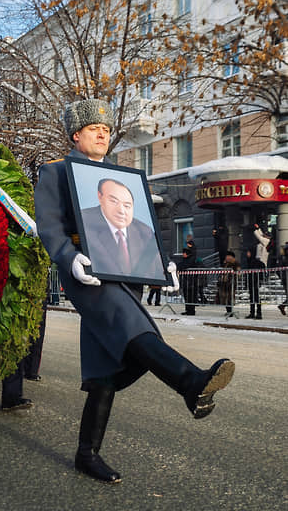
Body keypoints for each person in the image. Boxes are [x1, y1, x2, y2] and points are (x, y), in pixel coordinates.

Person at [34, 98, 235, 483]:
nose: (102, 134)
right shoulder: (56, 172)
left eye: (106, 129)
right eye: (94, 129)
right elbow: (50, 225)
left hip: (126, 272)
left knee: (106, 362)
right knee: (133, 330)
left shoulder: (119, 176)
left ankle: (86, 453)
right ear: (76, 135)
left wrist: (162, 266)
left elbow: (142, 227)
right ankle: (190, 383)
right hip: (89, 274)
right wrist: (68, 257)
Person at [81, 178, 164, 280]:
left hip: (134, 294)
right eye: (113, 201)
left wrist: (168, 271)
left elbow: (159, 268)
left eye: (127, 205)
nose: (121, 211)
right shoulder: (83, 220)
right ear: (100, 197)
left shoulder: (145, 231)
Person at [245, 245, 264, 319]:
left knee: (256, 298)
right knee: (252, 298)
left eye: (248, 252)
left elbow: (260, 271)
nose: (247, 253)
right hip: (251, 282)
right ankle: (252, 313)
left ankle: (259, 313)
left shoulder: (256, 262)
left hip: (255, 282)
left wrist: (259, 280)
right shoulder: (249, 261)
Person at [217, 251, 240, 317]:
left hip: (231, 282)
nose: (226, 257)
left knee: (229, 298)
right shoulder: (225, 263)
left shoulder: (235, 263)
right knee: (224, 298)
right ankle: (228, 311)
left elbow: (238, 272)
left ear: (231, 257)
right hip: (224, 282)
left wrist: (233, 277)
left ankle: (230, 311)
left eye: (227, 256)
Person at [177, 247, 199, 316]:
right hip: (186, 282)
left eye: (184, 253)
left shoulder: (191, 260)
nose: (183, 254)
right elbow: (181, 265)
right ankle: (188, 310)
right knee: (186, 297)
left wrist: (178, 266)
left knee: (191, 297)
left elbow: (184, 265)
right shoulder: (185, 260)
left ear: (187, 254)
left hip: (191, 282)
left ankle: (191, 311)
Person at [278, 242, 288, 316]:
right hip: (286, 278)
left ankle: (282, 306)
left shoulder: (282, 256)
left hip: (284, 277)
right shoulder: (284, 257)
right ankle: (282, 306)